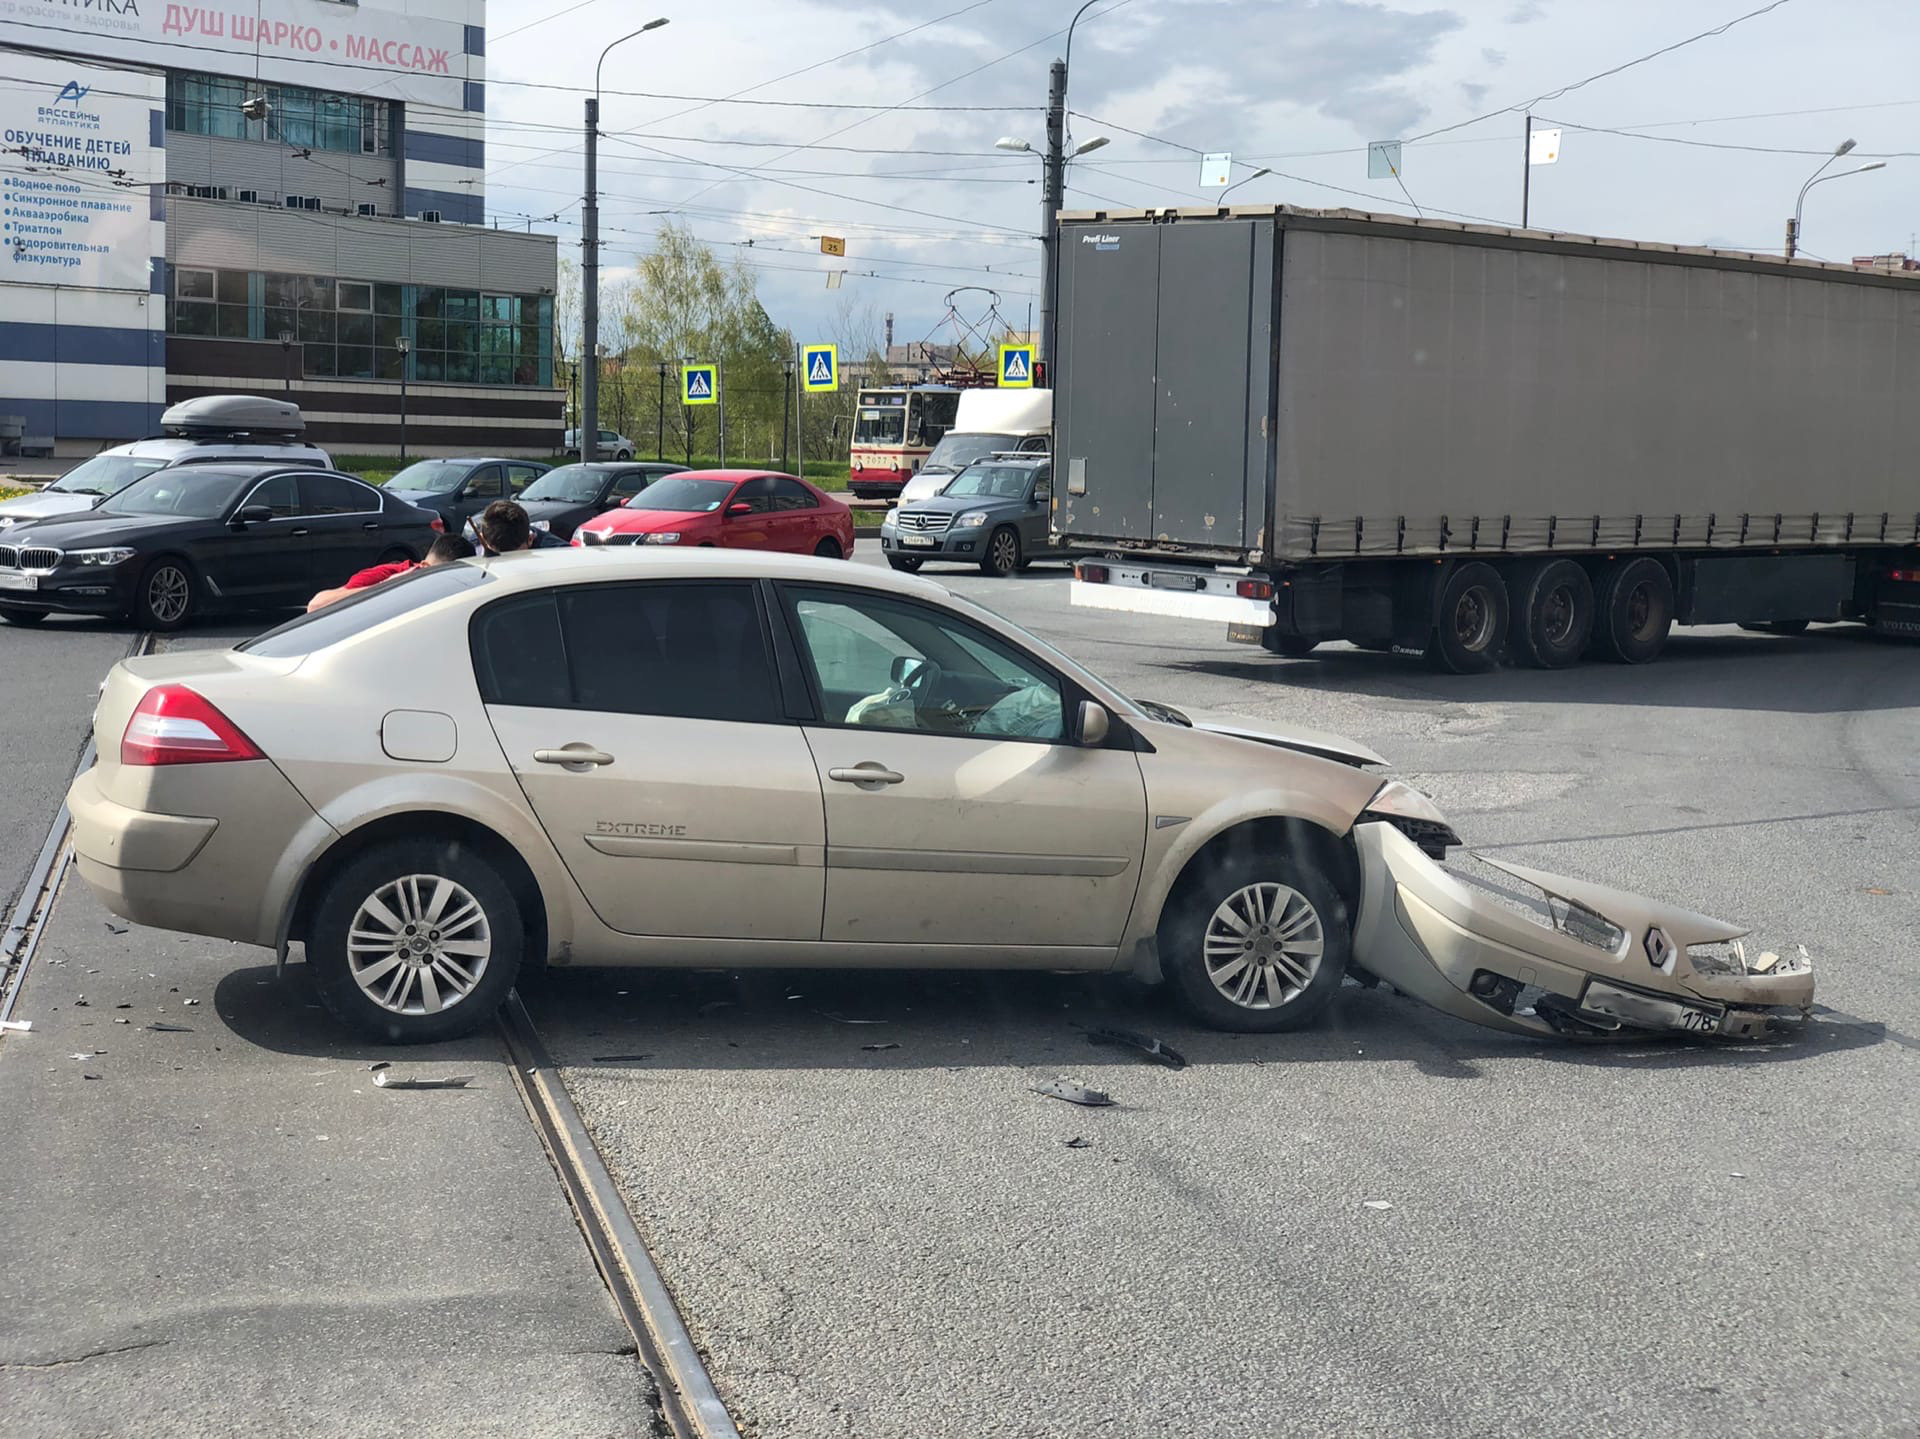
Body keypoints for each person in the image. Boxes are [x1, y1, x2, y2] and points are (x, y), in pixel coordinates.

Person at [306, 532, 473, 611]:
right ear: (423, 566)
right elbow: (316, 606)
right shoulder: (386, 575)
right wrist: (388, 587)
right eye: (438, 577)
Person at [468, 498, 569, 555]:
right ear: (482, 539)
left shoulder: (559, 555)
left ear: (530, 539)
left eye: (514, 556)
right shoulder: (472, 546)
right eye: (493, 554)